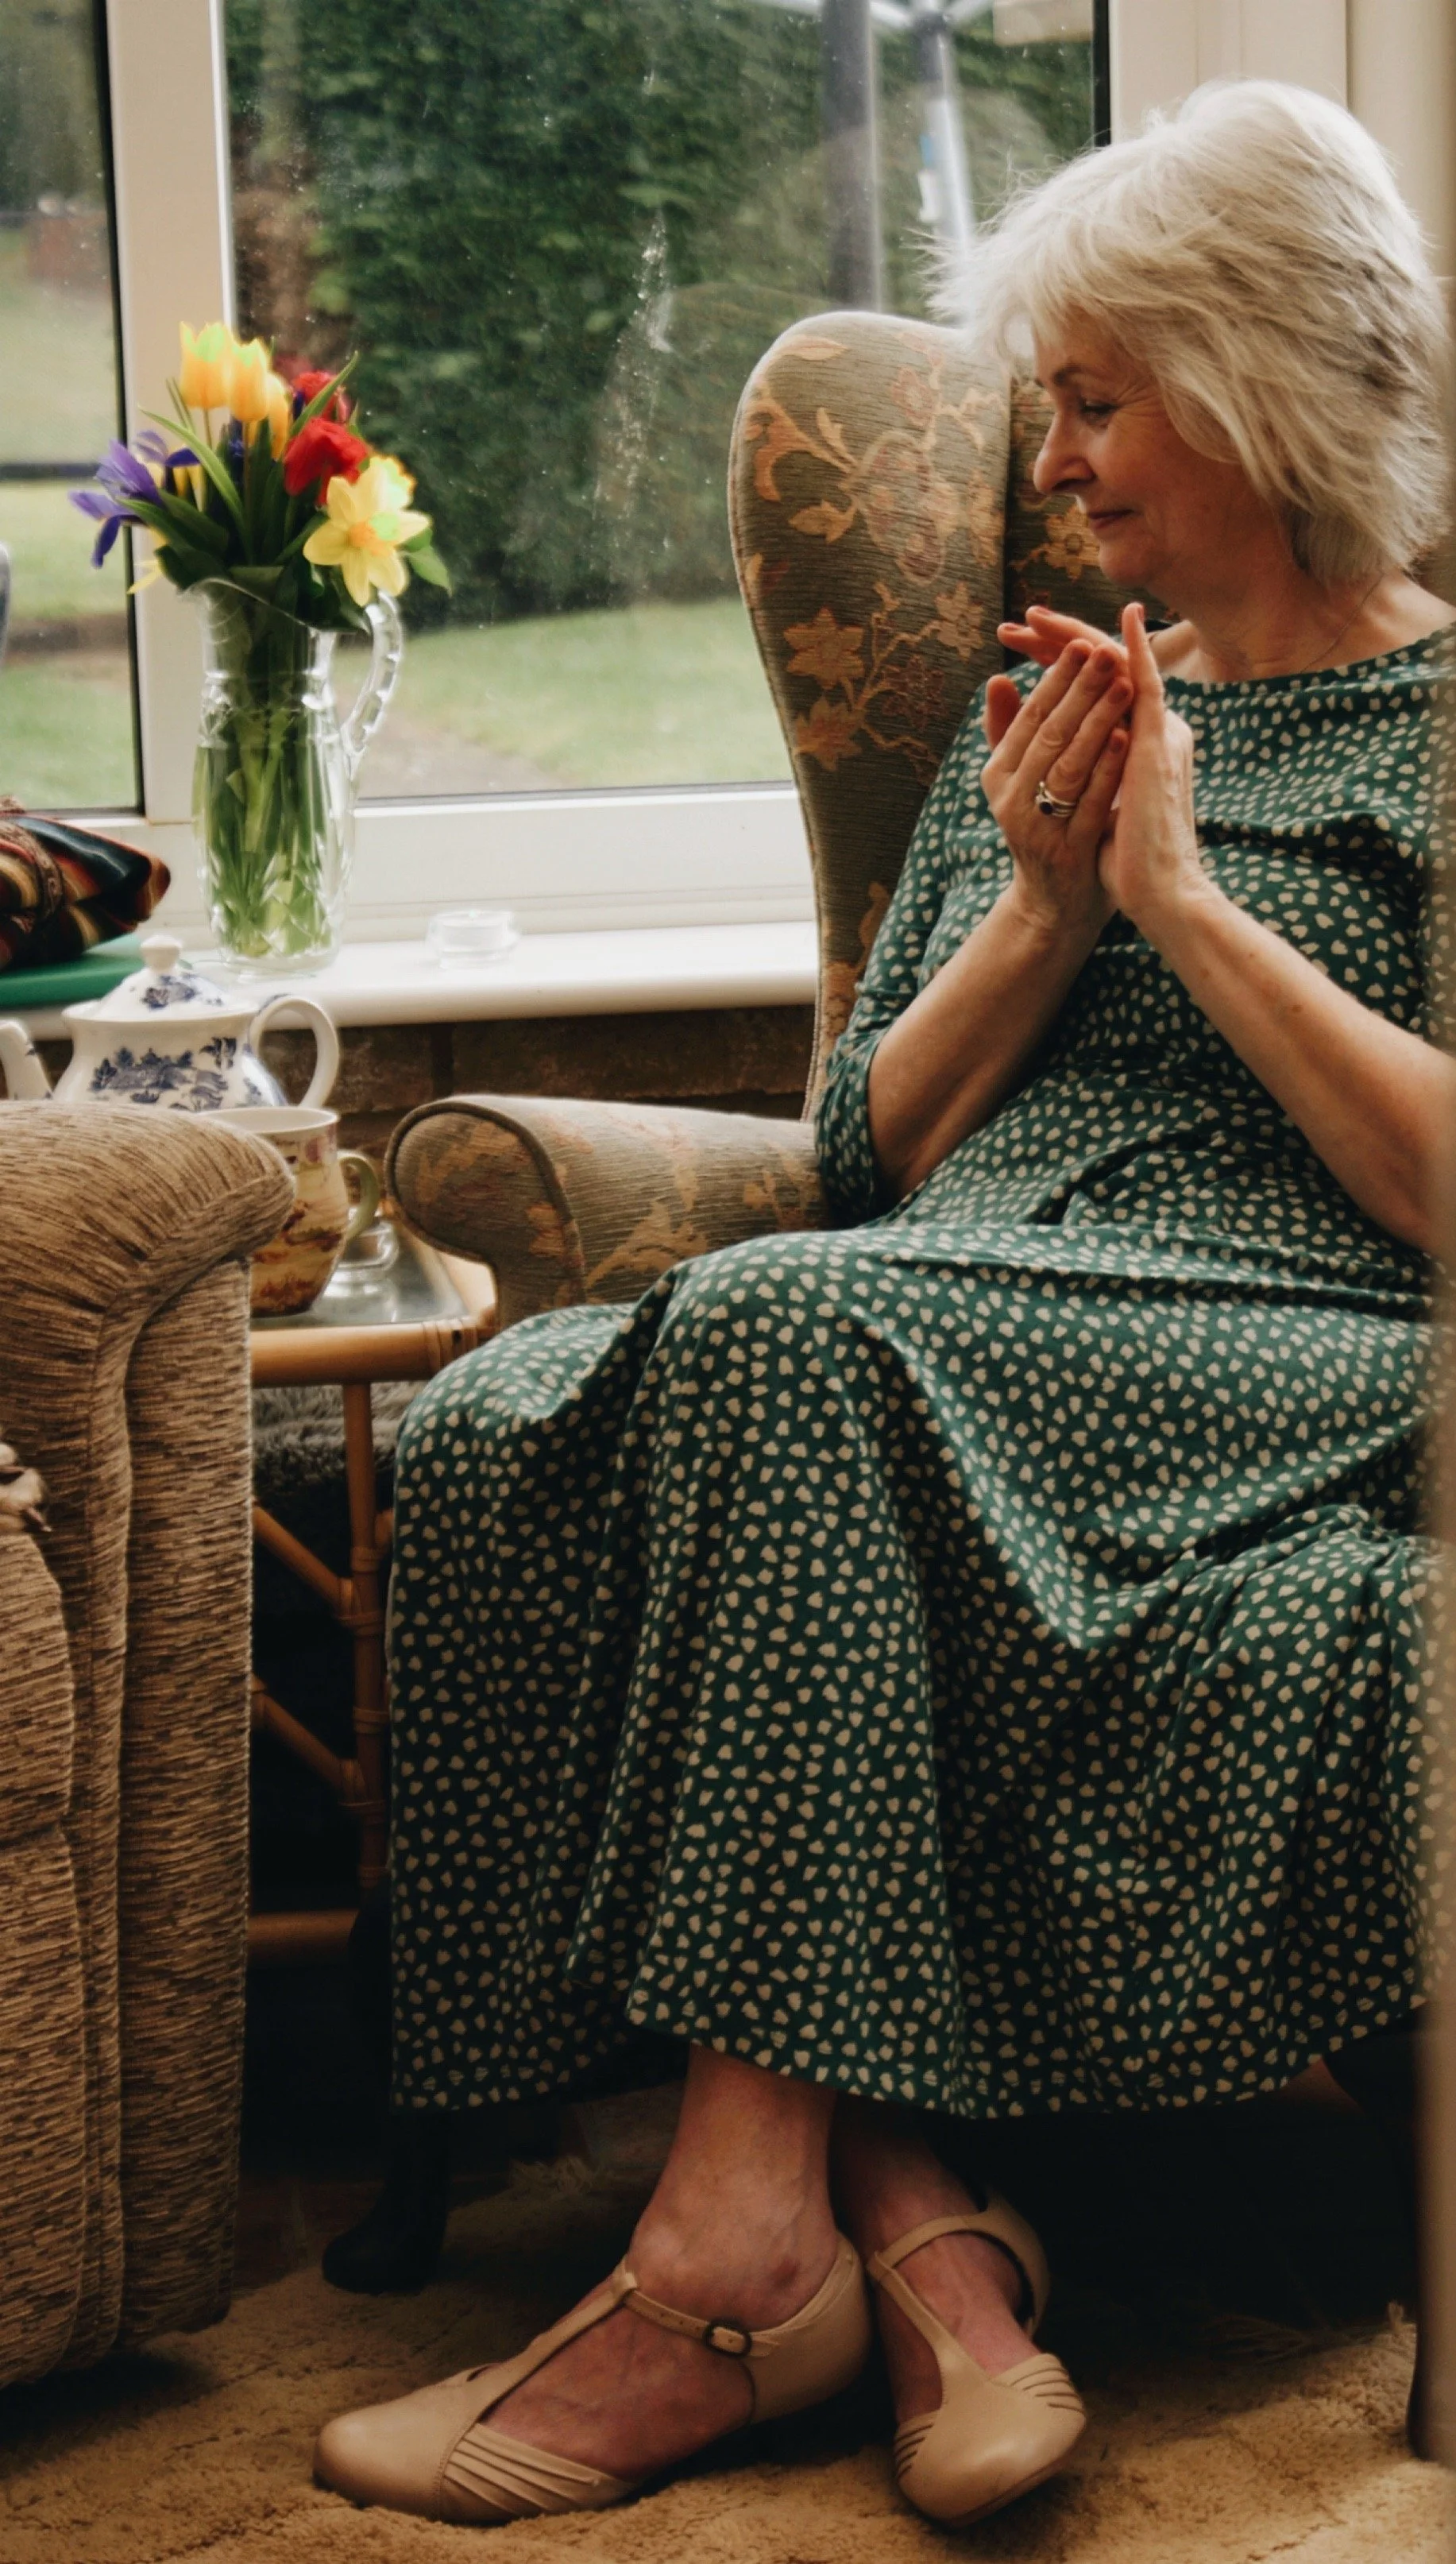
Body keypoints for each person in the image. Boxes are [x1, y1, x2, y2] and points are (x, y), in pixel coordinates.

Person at [315, 79, 1454, 2530]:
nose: (1051, 463)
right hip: (968, 1290)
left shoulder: (1446, 732)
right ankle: (924, 2255)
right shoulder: (1053, 700)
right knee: (518, 1421)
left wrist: (1182, 905)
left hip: (1283, 1334)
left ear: (1260, 386)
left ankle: (727, 2265)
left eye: (1094, 398)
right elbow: (869, 1157)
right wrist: (1040, 904)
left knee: (784, 1342)